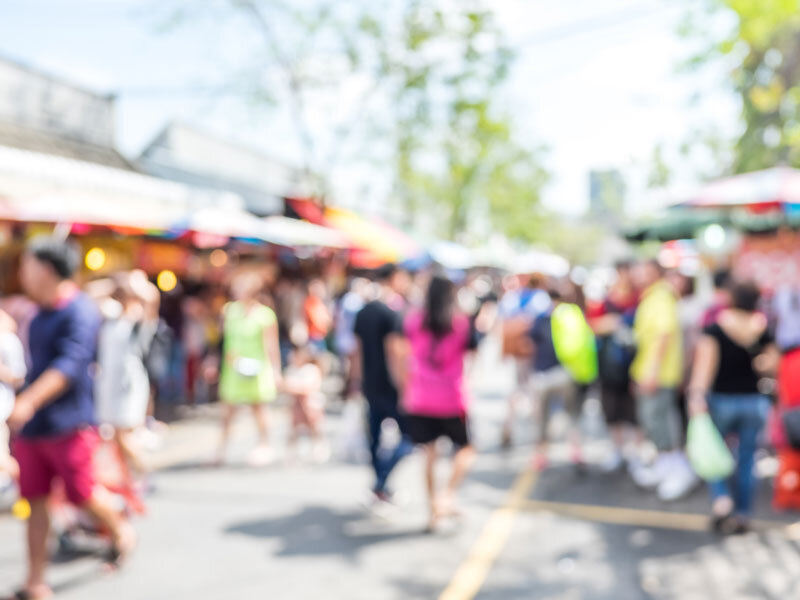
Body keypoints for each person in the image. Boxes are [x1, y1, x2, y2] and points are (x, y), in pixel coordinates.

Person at [7, 236, 136, 600]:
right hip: (33, 429)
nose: (22, 272)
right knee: (35, 503)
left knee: (82, 495)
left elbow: (70, 364)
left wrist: (29, 400)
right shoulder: (35, 312)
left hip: (71, 423)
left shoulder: (79, 310)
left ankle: (120, 528)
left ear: (46, 269)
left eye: (27, 264)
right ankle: (36, 581)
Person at [687, 282, 778, 533]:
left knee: (713, 452)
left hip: (722, 401)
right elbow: (771, 364)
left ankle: (722, 499)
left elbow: (704, 368)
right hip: (754, 402)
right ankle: (743, 514)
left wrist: (696, 396)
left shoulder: (716, 329)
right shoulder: (762, 328)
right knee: (747, 459)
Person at [400, 275, 478, 531]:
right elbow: (472, 357)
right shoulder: (460, 324)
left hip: (421, 398)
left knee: (429, 455)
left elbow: (405, 356)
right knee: (465, 450)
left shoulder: (414, 322)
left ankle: (434, 509)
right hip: (452, 399)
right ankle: (447, 495)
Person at [629, 260, 697, 501]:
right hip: (651, 372)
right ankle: (665, 469)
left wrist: (652, 373)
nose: (638, 275)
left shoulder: (660, 297)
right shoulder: (654, 297)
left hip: (659, 376)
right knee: (654, 424)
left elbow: (663, 335)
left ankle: (677, 472)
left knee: (662, 424)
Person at [352, 263, 413, 504]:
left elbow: (356, 352)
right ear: (394, 278)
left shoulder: (364, 310)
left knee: (375, 439)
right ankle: (381, 481)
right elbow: (395, 354)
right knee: (410, 437)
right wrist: (404, 386)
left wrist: (355, 381)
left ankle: (380, 485)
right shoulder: (392, 312)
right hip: (390, 386)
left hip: (370, 384)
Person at [217, 271, 282, 466]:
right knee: (228, 410)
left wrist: (276, 370)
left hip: (256, 368)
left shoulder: (265, 315)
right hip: (233, 369)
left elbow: (271, 345)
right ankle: (221, 450)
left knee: (258, 408)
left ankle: (264, 445)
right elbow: (222, 340)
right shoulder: (229, 311)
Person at [95, 273, 153, 479]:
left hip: (128, 383)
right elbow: (87, 293)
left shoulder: (137, 321)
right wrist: (112, 283)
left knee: (124, 434)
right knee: (115, 436)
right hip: (109, 382)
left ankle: (145, 474)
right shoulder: (109, 319)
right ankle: (129, 479)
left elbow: (151, 298)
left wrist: (133, 283)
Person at [588, 261, 638, 472]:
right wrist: (609, 323)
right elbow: (591, 325)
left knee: (633, 412)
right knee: (612, 410)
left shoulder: (639, 300)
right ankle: (617, 449)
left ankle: (635, 453)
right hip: (609, 367)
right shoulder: (604, 302)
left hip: (634, 366)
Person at [529, 289, 585, 471]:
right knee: (570, 415)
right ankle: (575, 452)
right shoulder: (572, 317)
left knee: (543, 419)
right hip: (565, 373)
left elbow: (530, 343)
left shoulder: (542, 319)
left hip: (544, 376)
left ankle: (542, 456)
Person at [498, 273, 551, 447]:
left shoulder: (512, 298)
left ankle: (509, 426)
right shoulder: (540, 299)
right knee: (534, 390)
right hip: (533, 350)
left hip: (518, 351)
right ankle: (539, 434)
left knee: (518, 388)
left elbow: (502, 322)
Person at [283, 345, 329, 463]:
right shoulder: (291, 370)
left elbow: (308, 387)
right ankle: (292, 451)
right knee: (294, 429)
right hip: (296, 405)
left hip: (311, 405)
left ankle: (318, 447)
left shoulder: (311, 370)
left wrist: (294, 387)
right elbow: (286, 385)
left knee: (315, 427)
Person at [0, 309, 26, 500]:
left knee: (2, 458)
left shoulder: (9, 341)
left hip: (2, 406)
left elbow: (19, 376)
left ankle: (26, 491)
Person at [304, 278, 332, 356]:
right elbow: (318, 321)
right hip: (313, 337)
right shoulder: (311, 302)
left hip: (319, 337)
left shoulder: (319, 302)